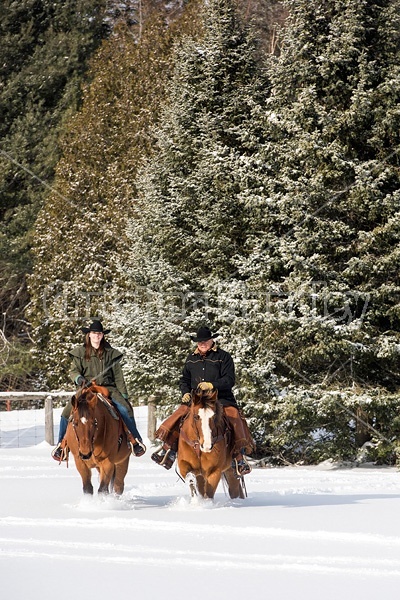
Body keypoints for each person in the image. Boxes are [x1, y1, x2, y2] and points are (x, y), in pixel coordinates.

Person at [151, 326, 255, 476]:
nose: (202, 344)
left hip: (220, 399)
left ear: (212, 340)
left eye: (205, 341)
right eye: (199, 342)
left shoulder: (224, 357)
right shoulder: (191, 359)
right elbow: (184, 380)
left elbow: (229, 380)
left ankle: (239, 457)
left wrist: (212, 385)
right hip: (197, 399)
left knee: (234, 416)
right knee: (180, 414)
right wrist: (185, 392)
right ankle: (169, 449)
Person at [52, 320, 146, 461]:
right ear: (89, 335)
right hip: (86, 388)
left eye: (100, 333)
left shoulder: (110, 353)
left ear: (103, 335)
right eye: (94, 333)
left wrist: (124, 394)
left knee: (124, 409)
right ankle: (61, 445)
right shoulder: (80, 353)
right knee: (66, 412)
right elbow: (73, 371)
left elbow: (118, 376)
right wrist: (79, 379)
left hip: (108, 388)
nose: (97, 336)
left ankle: (135, 440)